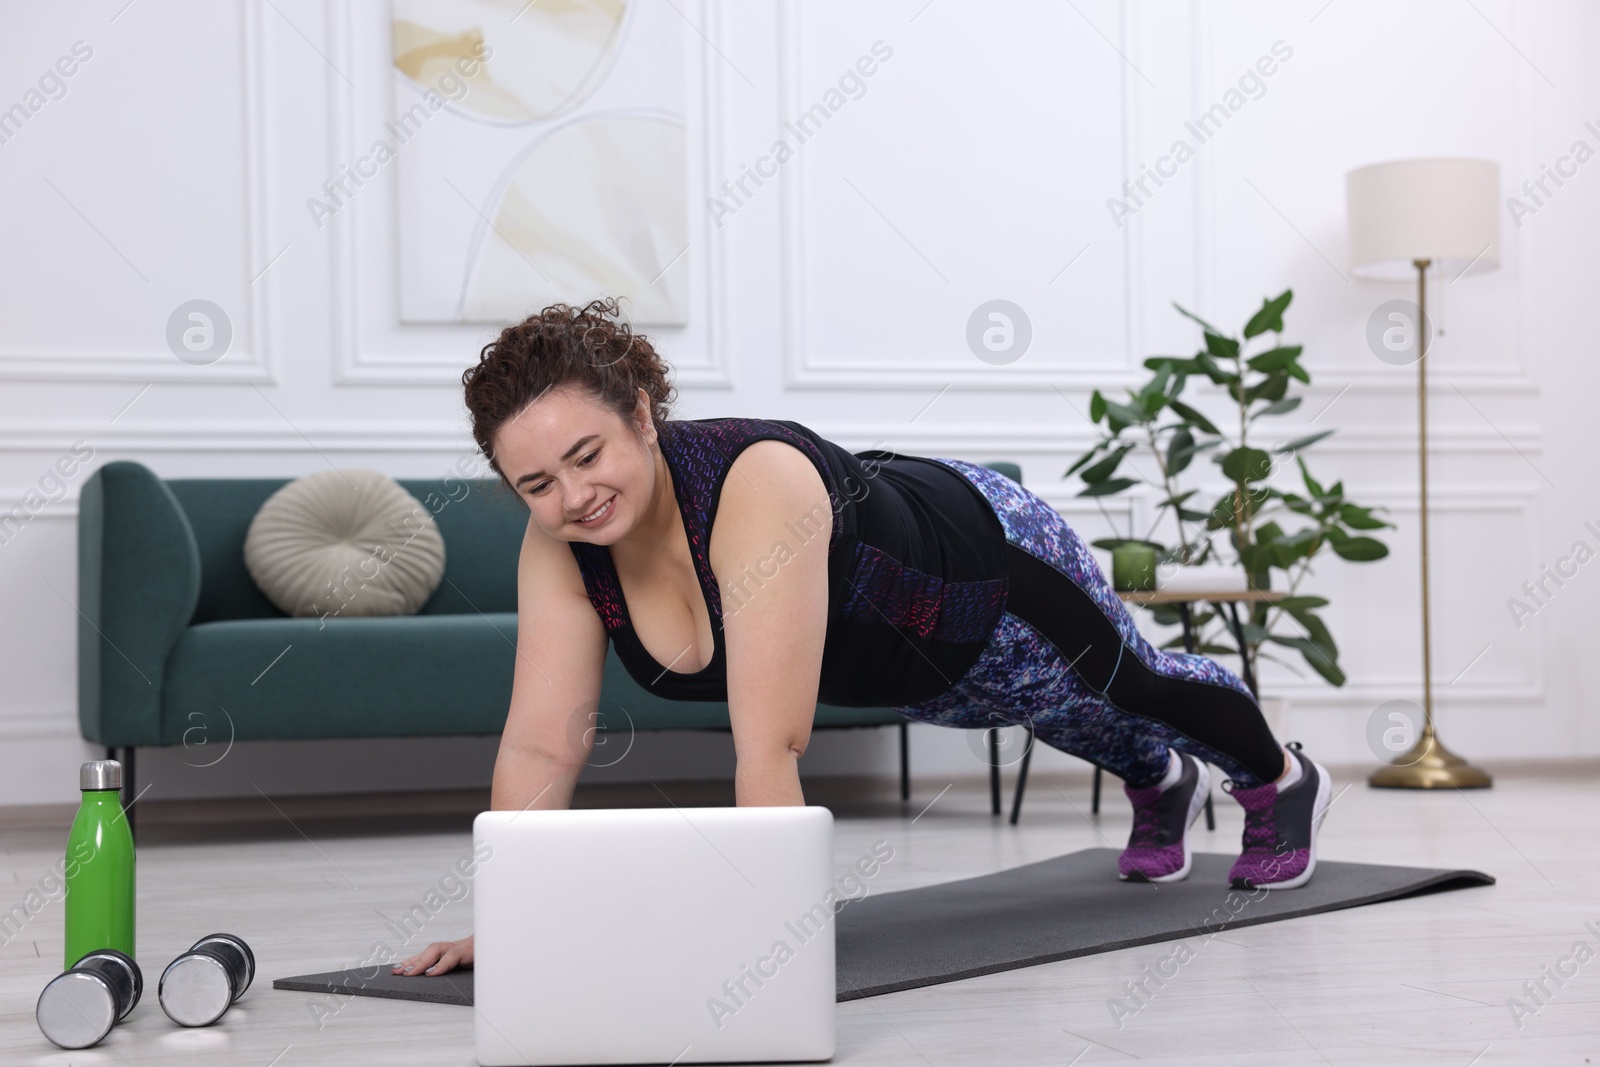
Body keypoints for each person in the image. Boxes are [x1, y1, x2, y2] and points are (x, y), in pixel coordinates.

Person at [395, 297, 1334, 978]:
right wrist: (511, 923)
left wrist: (771, 947)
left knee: (1121, 681)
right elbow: (543, 738)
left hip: (984, 567)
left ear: (641, 414)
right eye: (536, 484)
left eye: (586, 454)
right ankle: (1157, 778)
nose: (571, 497)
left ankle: (1281, 779)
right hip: (901, 661)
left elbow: (769, 747)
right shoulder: (562, 545)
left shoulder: (752, 486)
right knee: (1038, 710)